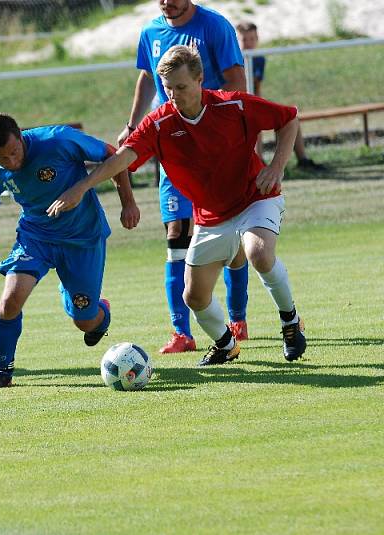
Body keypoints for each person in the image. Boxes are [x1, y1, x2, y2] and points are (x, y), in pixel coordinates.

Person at [49, 45, 307, 366]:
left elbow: (289, 119)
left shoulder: (234, 105)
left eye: (181, 87)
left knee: (258, 252)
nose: (174, 95)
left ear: (200, 79)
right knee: (194, 297)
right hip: (211, 217)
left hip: (255, 199)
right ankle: (226, 345)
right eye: (167, 88)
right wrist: (82, 186)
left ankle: (290, 322)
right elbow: (122, 158)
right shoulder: (158, 123)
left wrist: (276, 166)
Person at [0, 113, 140, 390]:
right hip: (36, 237)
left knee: (86, 321)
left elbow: (114, 155)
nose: (11, 162)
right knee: (10, 301)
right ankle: (3, 371)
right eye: (1, 158)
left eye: (14, 152)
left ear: (20, 136)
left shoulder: (57, 140)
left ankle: (100, 310)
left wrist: (127, 203)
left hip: (83, 237)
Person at [116, 0, 251, 354]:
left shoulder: (215, 26)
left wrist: (243, 131)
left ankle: (238, 317)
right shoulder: (150, 32)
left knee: (231, 239)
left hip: (217, 150)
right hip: (174, 150)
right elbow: (147, 77)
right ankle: (181, 332)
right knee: (175, 233)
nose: (167, 2)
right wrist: (132, 125)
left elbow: (237, 79)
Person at [235, 21, 326, 170]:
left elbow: (257, 87)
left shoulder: (259, 59)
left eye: (252, 39)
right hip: (236, 104)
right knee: (252, 121)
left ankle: (302, 160)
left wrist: (259, 104)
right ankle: (258, 162)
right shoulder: (233, 58)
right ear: (236, 40)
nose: (248, 43)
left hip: (253, 101)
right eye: (244, 39)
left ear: (257, 39)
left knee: (290, 116)